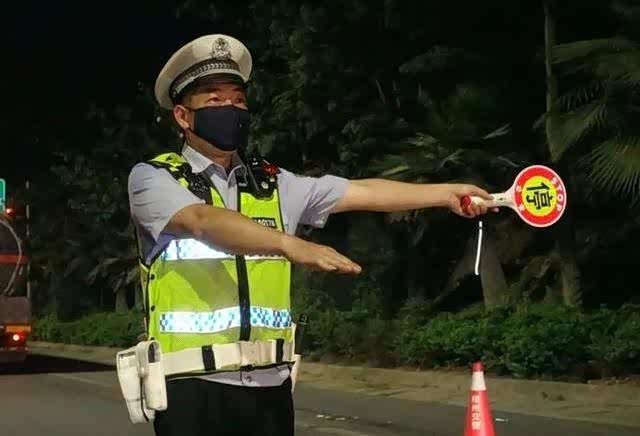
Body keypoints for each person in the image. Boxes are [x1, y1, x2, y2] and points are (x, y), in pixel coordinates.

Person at [128, 33, 492, 436]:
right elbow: (201, 219)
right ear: (183, 116)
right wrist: (288, 243)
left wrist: (446, 193)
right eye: (215, 100)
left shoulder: (273, 183)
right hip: (191, 388)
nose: (230, 109)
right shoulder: (155, 178)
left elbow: (363, 192)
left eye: (238, 100)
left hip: (270, 387)